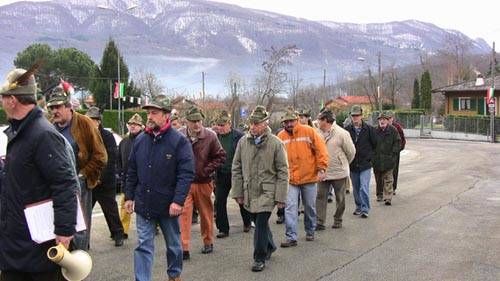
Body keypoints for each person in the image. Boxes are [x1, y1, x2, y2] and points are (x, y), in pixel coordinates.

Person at [0, 67, 79, 280]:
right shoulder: (18, 132)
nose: (1, 101)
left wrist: (64, 230)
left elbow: (64, 184)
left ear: (12, 100)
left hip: (38, 252)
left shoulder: (42, 134)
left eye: (3, 96)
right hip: (15, 247)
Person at [124, 95, 195, 281]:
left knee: (173, 245)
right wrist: (129, 196)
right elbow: (131, 169)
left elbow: (186, 174)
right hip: (144, 203)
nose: (150, 117)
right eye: (148, 113)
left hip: (168, 205)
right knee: (143, 245)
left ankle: (174, 274)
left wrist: (178, 201)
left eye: (154, 113)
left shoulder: (179, 141)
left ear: (166, 116)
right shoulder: (140, 140)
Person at [47, 84, 107, 250]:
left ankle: (79, 261)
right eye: (52, 107)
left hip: (79, 183)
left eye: (58, 107)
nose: (54, 111)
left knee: (80, 227)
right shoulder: (50, 127)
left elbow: (101, 156)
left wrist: (82, 175)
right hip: (55, 185)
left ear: (68, 107)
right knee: (58, 224)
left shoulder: (85, 123)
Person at [231, 106, 288, 272]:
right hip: (250, 191)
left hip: (268, 191)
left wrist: (280, 197)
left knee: (261, 223)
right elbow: (236, 167)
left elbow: (283, 171)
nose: (253, 127)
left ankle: (259, 258)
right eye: (252, 123)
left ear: (265, 123)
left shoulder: (276, 143)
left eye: (257, 123)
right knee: (257, 220)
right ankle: (269, 245)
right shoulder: (243, 142)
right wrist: (238, 192)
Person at [178, 106, 226, 260]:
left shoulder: (211, 136)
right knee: (183, 215)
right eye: (193, 121)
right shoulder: (179, 136)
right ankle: (184, 248)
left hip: (203, 182)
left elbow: (221, 157)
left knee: (206, 214)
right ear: (187, 122)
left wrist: (206, 171)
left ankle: (208, 241)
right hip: (184, 183)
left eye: (199, 121)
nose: (197, 124)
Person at [277, 108, 328, 247]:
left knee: (309, 207)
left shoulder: (309, 131)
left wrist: (322, 168)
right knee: (290, 207)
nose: (289, 124)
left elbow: (321, 149)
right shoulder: (280, 136)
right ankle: (291, 236)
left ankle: (310, 230)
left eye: (291, 121)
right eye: (286, 122)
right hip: (290, 179)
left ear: (297, 120)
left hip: (309, 177)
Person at [86, 106, 126, 247]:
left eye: (93, 120)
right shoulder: (84, 136)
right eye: (88, 120)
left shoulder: (107, 137)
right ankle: (84, 240)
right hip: (88, 182)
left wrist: (99, 178)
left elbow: (111, 160)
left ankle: (118, 234)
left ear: (98, 122)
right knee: (84, 213)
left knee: (110, 210)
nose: (90, 123)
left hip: (105, 182)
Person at [213, 110, 252, 238]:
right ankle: (223, 228)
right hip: (221, 173)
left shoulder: (239, 136)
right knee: (219, 201)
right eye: (218, 125)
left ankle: (247, 222)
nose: (220, 127)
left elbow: (246, 154)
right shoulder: (214, 137)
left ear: (229, 124)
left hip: (236, 173)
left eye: (222, 125)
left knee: (241, 199)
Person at [315, 109, 355, 230]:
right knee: (320, 197)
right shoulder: (316, 132)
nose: (317, 121)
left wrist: (342, 163)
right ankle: (320, 222)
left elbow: (351, 152)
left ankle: (338, 219)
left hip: (339, 172)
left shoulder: (342, 133)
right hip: (322, 172)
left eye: (319, 119)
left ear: (326, 121)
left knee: (340, 198)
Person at [345, 105, 377, 218]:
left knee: (364, 187)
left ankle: (365, 209)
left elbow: (375, 144)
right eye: (353, 116)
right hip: (353, 163)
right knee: (356, 188)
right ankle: (358, 206)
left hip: (365, 164)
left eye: (357, 115)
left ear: (361, 116)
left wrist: (370, 157)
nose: (355, 118)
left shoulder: (369, 129)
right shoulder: (347, 130)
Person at [117, 113, 144, 239]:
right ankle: (123, 230)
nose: (132, 127)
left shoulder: (145, 140)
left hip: (143, 179)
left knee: (145, 205)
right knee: (124, 205)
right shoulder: (124, 142)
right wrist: (120, 173)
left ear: (141, 126)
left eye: (136, 125)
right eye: (131, 124)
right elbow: (119, 160)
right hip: (127, 179)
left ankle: (155, 226)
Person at [373, 111, 401, 206]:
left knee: (388, 179)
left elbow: (398, 143)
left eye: (384, 119)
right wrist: (372, 156)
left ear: (387, 120)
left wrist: (393, 155)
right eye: (380, 119)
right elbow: (370, 144)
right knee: (378, 179)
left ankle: (388, 197)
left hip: (389, 160)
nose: (382, 121)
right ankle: (379, 194)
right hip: (377, 160)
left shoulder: (393, 130)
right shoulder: (374, 131)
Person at [387, 111, 406, 196]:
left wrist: (398, 149)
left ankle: (393, 188)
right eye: (387, 118)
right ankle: (386, 188)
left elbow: (402, 139)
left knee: (394, 170)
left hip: (395, 153)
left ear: (392, 118)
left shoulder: (397, 127)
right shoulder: (383, 127)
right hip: (385, 153)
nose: (388, 120)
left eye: (390, 118)